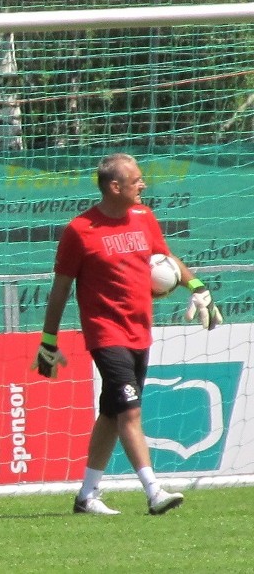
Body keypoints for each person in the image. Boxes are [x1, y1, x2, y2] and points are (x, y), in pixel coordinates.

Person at [35, 152, 222, 515]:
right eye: (137, 179)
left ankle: (87, 496)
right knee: (131, 412)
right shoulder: (80, 230)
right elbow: (60, 288)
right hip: (106, 334)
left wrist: (197, 286)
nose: (144, 184)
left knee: (111, 412)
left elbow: (166, 259)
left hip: (140, 331)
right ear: (115, 186)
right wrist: (48, 340)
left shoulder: (144, 216)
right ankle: (154, 492)